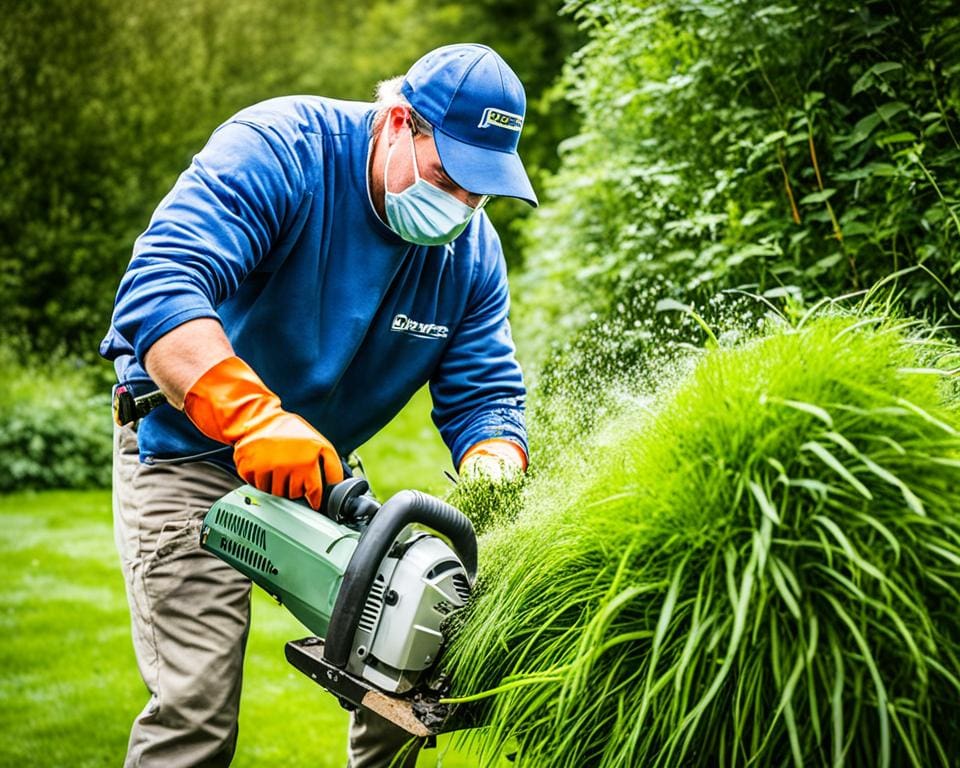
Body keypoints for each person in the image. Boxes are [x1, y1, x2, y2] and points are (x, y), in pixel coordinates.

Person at [99, 43, 535, 768]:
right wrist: (254, 418)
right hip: (189, 449)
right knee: (196, 712)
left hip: (319, 466)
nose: (461, 207)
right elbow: (159, 289)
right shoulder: (282, 150)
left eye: (480, 191)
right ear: (399, 121)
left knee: (414, 654)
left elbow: (486, 390)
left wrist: (495, 458)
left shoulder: (471, 253)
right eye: (448, 177)